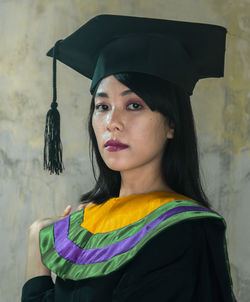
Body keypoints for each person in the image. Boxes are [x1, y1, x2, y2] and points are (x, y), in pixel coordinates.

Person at [21, 14, 237, 301]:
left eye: (134, 104)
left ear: (172, 123)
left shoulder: (182, 230)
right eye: (102, 106)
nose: (112, 122)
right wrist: (37, 238)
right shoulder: (86, 222)